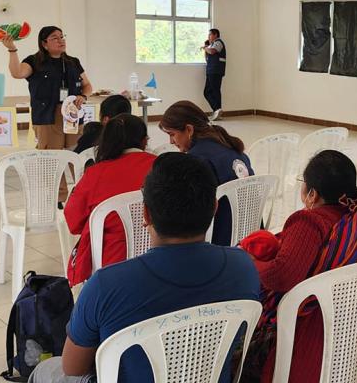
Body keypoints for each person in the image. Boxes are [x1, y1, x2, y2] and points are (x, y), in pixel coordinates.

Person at [28, 153, 260, 383]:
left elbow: (73, 366)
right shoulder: (244, 267)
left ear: (145, 213)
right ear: (214, 209)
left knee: (46, 370)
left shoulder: (106, 285)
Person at [238, 150, 357, 383]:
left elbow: (281, 277)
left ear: (312, 193)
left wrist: (252, 263)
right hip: (356, 345)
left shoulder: (309, 221)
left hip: (312, 348)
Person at [3, 26, 93, 204]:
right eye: (55, 38)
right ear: (44, 43)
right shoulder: (34, 62)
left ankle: (83, 193)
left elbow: (88, 85)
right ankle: (58, 198)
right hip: (47, 116)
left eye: (62, 37)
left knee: (76, 154)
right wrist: (12, 49)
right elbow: (17, 73)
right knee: (52, 157)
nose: (61, 41)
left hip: (72, 115)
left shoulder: (73, 62)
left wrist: (83, 96)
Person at [63, 114, 156, 286]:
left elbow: (73, 223)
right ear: (144, 141)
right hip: (160, 259)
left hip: (111, 264)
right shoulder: (161, 165)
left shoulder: (95, 174)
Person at [159, 100, 253, 246]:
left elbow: (191, 212)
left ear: (189, 130)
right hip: (249, 232)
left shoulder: (198, 159)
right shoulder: (231, 146)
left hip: (221, 237)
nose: (171, 141)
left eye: (172, 134)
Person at [201, 28, 226, 120]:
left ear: (215, 35)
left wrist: (205, 47)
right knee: (207, 92)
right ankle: (216, 110)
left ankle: (217, 110)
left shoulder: (218, 42)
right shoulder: (211, 45)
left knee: (215, 90)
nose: (209, 37)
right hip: (211, 71)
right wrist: (206, 48)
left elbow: (212, 51)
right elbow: (207, 57)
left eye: (210, 35)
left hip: (216, 71)